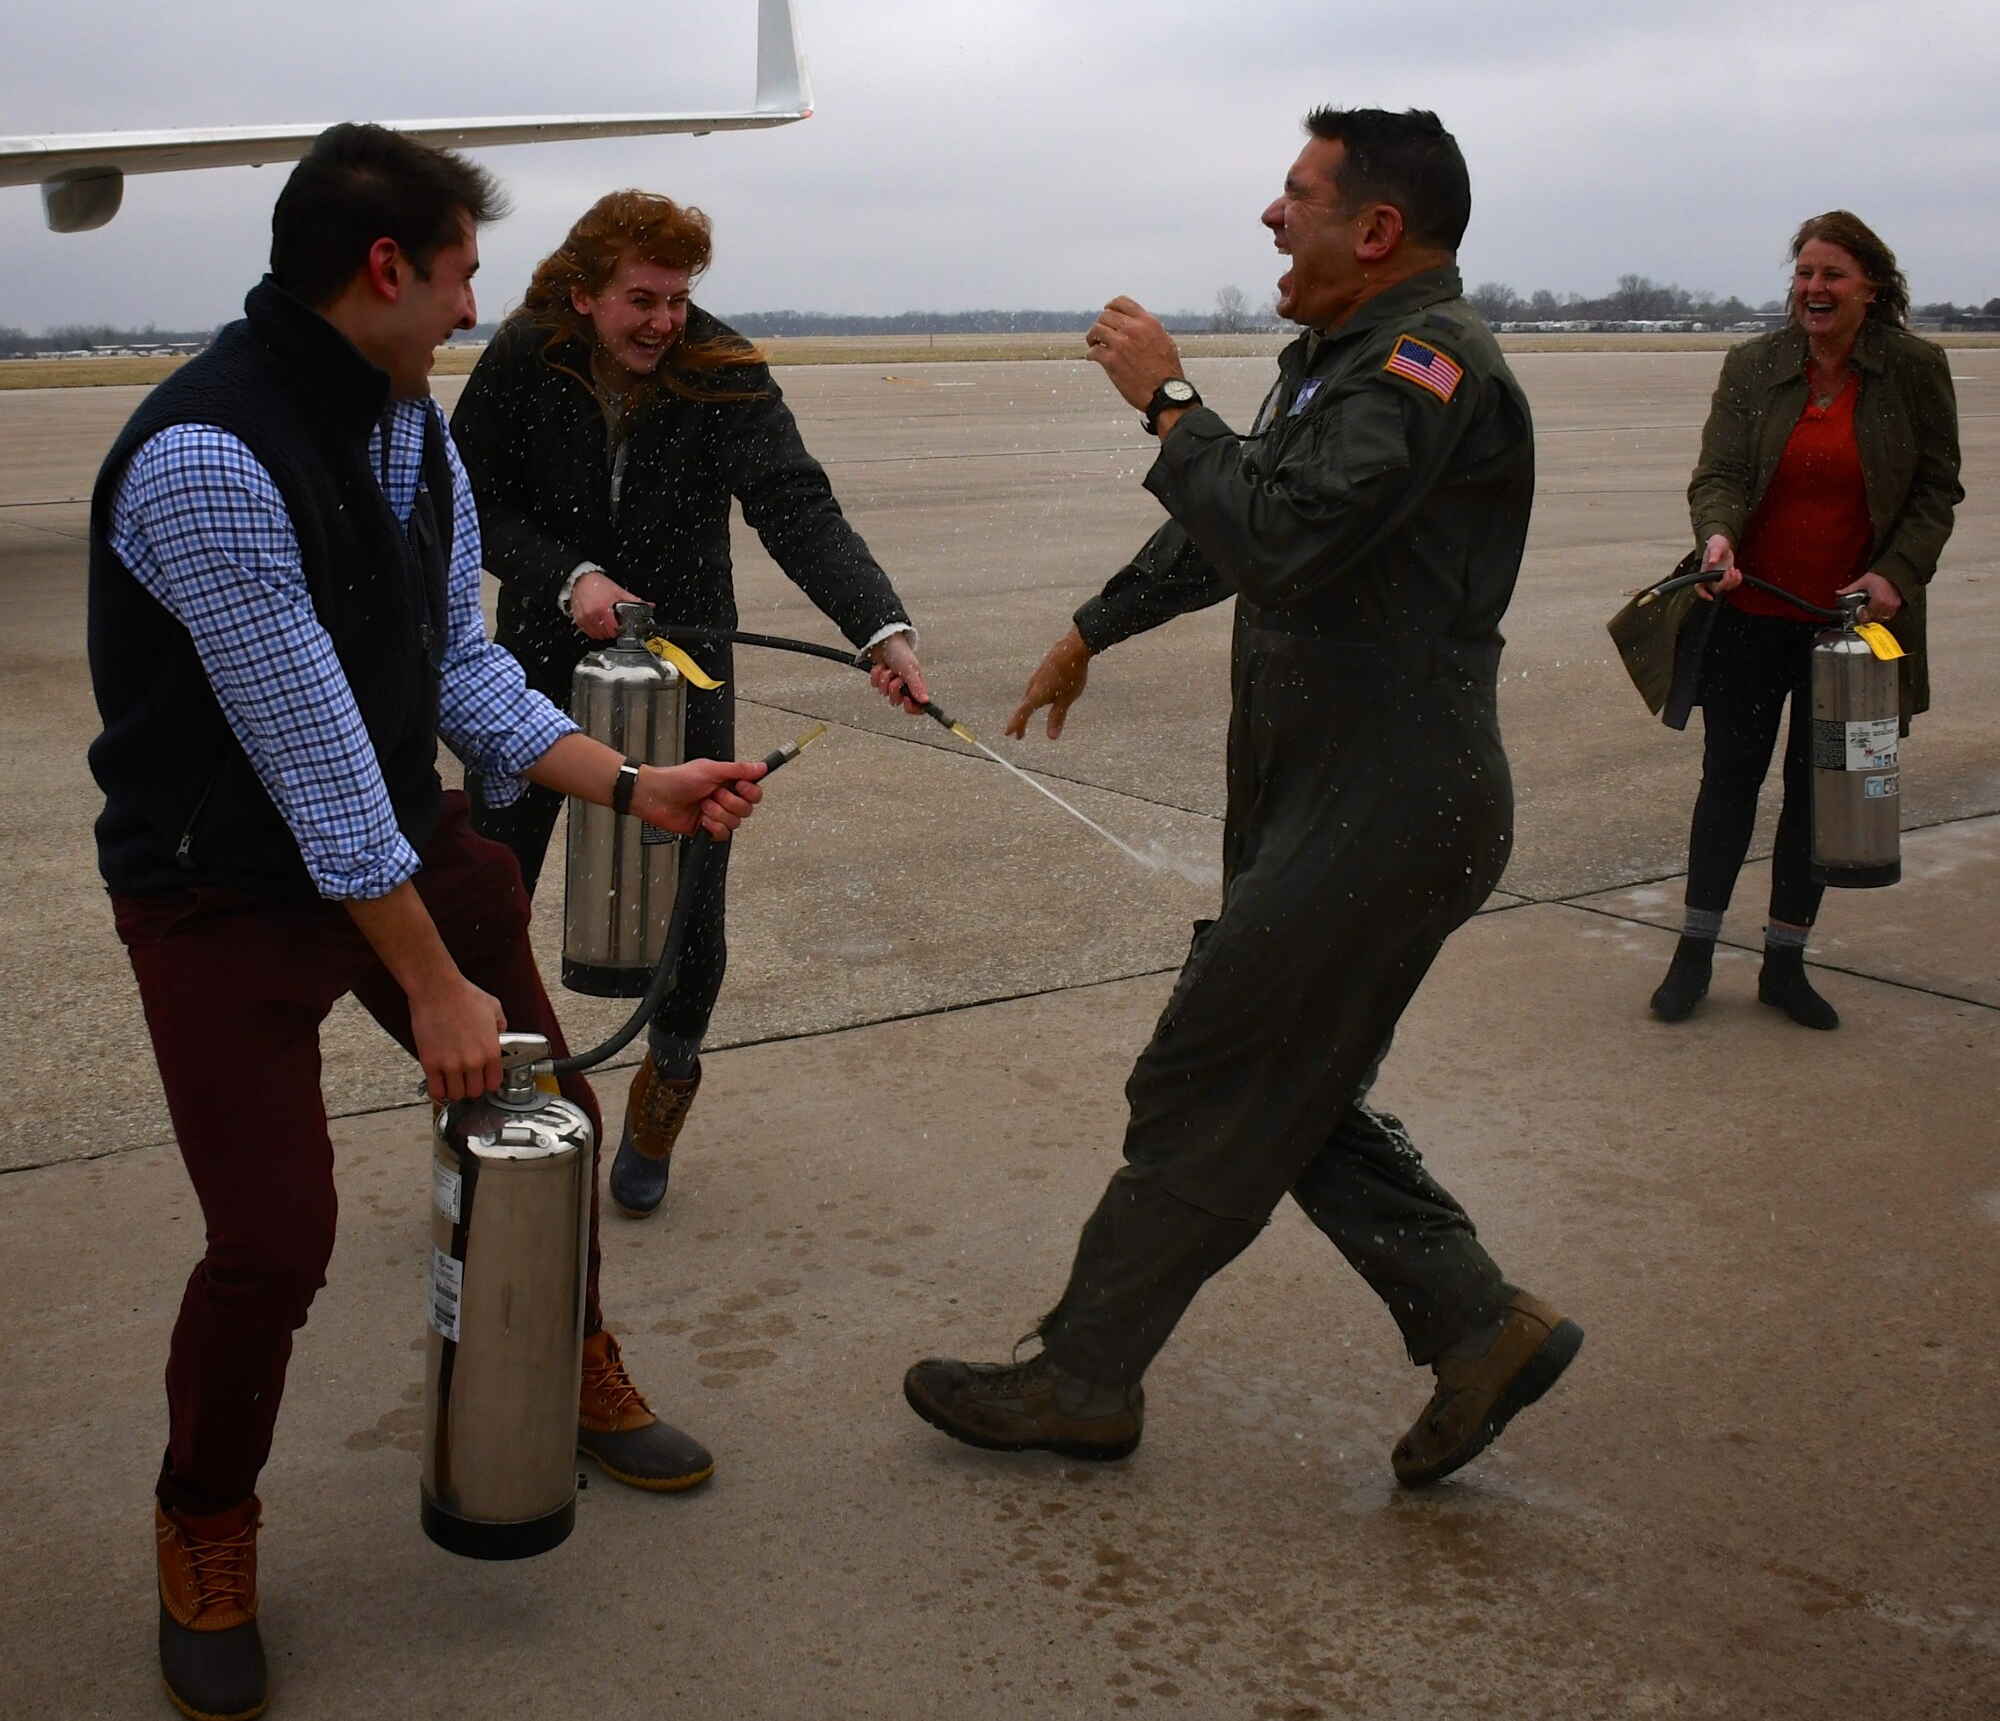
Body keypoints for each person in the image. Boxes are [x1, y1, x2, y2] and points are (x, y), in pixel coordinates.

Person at [87, 125, 767, 1721]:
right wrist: (441, 989)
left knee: (561, 1113)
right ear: (385, 268)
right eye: (461, 273)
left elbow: (447, 672)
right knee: (275, 1239)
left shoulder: (407, 428)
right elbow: (315, 760)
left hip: (398, 835)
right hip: (221, 888)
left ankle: (570, 1361)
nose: (474, 306)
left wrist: (623, 784)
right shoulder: (207, 457)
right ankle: (206, 1518)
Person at [903, 108, 1580, 1485]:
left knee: (1208, 1072)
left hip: (1391, 803)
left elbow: (1278, 531)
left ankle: (1087, 1376)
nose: (1272, 219)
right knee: (1278, 1082)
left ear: (1375, 231)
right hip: (1336, 796)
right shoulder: (1343, 363)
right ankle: (1475, 1323)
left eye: (1297, 196)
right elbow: (1244, 514)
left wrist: (1164, 399)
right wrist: (1097, 624)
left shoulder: (1422, 367)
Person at [451, 190, 926, 1220]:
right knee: (486, 886)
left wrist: (878, 630)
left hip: (685, 665)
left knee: (691, 904)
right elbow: (467, 496)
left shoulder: (721, 371)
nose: (663, 322)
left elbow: (795, 504)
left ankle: (665, 1086)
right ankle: (481, 1101)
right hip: (535, 662)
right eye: (639, 299)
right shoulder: (526, 356)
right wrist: (564, 572)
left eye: (676, 298)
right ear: (582, 295)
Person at [1649, 212, 1962, 1030]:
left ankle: (1784, 963)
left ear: (1872, 288)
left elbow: (1936, 492)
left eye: (1832, 276)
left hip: (1848, 632)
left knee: (1819, 797)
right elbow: (1715, 472)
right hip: (1749, 614)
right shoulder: (1754, 365)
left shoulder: (1914, 371)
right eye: (1804, 274)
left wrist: (1897, 575)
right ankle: (1693, 953)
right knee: (1729, 781)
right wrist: (1716, 535)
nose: (1813, 290)